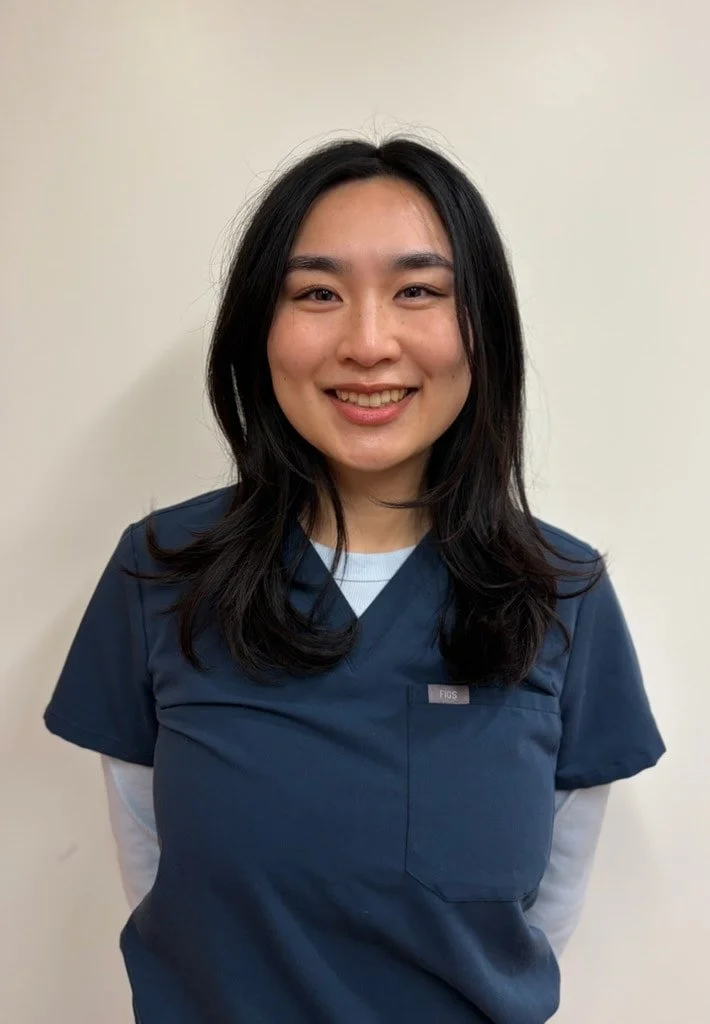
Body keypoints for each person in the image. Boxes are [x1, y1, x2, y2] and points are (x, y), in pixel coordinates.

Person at [44, 136, 665, 1024]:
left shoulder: (560, 593)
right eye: (317, 294)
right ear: (261, 327)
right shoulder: (162, 571)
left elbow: (547, 906)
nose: (368, 343)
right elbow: (153, 860)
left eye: (418, 290)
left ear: (482, 326)